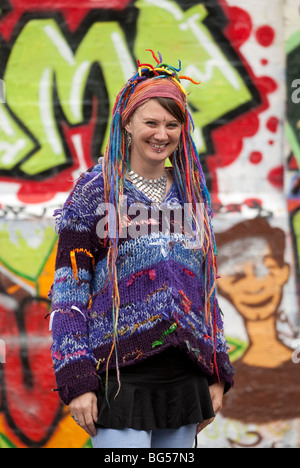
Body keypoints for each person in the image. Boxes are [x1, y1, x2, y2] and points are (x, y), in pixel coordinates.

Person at [48, 50, 234, 449]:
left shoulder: (190, 193)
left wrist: (217, 371)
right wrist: (75, 377)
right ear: (127, 123)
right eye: (150, 122)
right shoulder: (97, 191)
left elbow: (205, 291)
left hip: (185, 377)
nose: (161, 134)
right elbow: (69, 290)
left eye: (172, 124)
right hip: (118, 378)